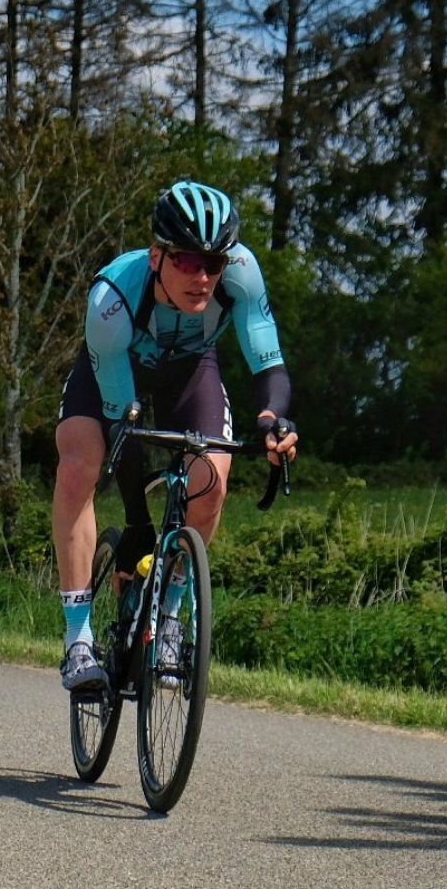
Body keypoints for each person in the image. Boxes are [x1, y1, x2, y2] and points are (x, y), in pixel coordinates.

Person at [50, 181, 299, 692]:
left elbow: (267, 360)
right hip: (115, 373)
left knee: (211, 481)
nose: (202, 277)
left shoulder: (242, 274)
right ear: (157, 256)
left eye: (214, 263)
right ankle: (78, 639)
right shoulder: (112, 301)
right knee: (79, 464)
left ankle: (168, 616)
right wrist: (137, 524)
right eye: (186, 261)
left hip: (189, 370)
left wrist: (273, 420)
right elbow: (122, 427)